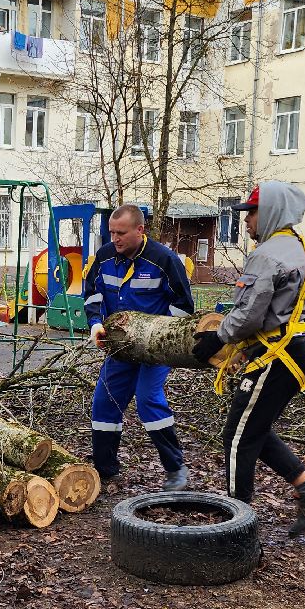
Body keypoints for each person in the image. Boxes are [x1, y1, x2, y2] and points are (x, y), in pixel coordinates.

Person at [192, 181, 305, 536]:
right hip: (295, 350)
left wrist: (218, 338)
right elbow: (283, 311)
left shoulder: (267, 254)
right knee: (253, 429)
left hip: (281, 354)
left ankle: (236, 526)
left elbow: (249, 313)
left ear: (270, 212)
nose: (246, 222)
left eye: (251, 213)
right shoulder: (300, 248)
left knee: (237, 437)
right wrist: (246, 349)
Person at [83, 203, 195, 491]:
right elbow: (93, 295)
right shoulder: (105, 257)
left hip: (155, 350)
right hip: (119, 347)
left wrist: (160, 336)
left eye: (121, 233)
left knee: (148, 399)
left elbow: (184, 307)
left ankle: (175, 470)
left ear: (140, 230)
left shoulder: (164, 260)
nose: (115, 239)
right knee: (104, 403)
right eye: (111, 233)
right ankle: (105, 471)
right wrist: (96, 323)